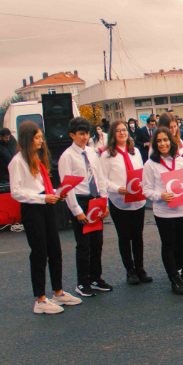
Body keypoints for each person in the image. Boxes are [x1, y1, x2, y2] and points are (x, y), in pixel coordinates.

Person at [9, 121, 81, 314]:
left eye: (41, 137)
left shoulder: (36, 158)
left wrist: (58, 193)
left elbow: (41, 186)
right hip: (33, 210)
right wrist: (42, 198)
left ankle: (58, 292)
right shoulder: (17, 162)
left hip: (46, 206)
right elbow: (16, 192)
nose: (41, 140)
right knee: (40, 253)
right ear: (27, 138)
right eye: (37, 137)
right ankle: (40, 300)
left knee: (55, 250)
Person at [59, 117, 112, 297]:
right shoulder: (67, 156)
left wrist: (104, 202)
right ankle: (83, 282)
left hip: (95, 200)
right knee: (84, 245)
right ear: (72, 135)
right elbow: (67, 187)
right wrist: (77, 211)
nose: (84, 137)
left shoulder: (91, 152)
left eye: (87, 133)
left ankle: (96, 278)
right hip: (80, 201)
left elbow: (100, 178)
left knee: (97, 243)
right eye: (81, 134)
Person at [142, 127, 183, 294]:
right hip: (164, 211)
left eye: (165, 140)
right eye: (158, 141)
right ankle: (174, 278)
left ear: (171, 141)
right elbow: (146, 190)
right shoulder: (150, 164)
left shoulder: (179, 160)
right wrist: (160, 195)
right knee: (169, 245)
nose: (162, 143)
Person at [100, 120, 153, 285]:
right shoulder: (107, 155)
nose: (122, 133)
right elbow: (102, 179)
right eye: (118, 131)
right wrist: (116, 188)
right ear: (112, 135)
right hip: (119, 201)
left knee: (138, 236)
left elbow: (141, 171)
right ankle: (129, 270)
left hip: (137, 200)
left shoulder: (135, 151)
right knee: (124, 237)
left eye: (124, 130)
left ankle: (140, 268)